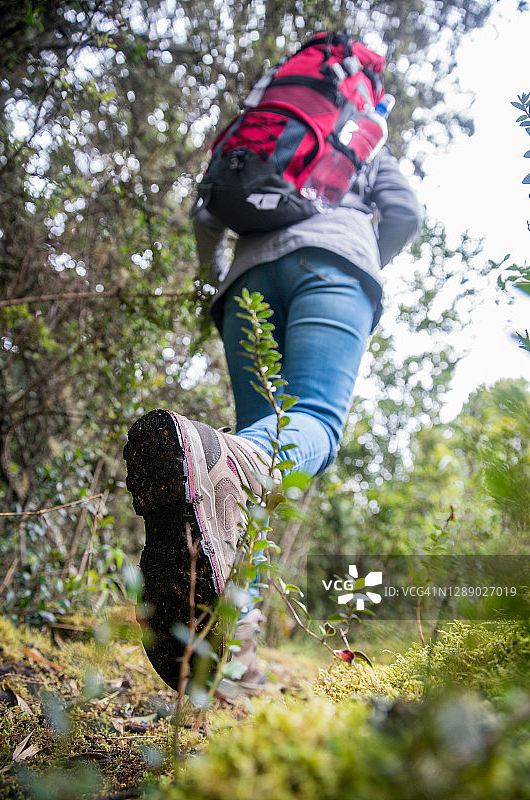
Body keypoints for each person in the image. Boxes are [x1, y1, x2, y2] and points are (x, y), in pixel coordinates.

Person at [124, 60, 422, 697]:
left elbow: (208, 217)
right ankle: (232, 462)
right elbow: (403, 213)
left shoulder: (264, 125)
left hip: (246, 283)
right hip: (333, 269)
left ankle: (236, 656)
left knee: (260, 449)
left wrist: (213, 280)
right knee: (307, 425)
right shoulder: (362, 130)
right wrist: (360, 251)